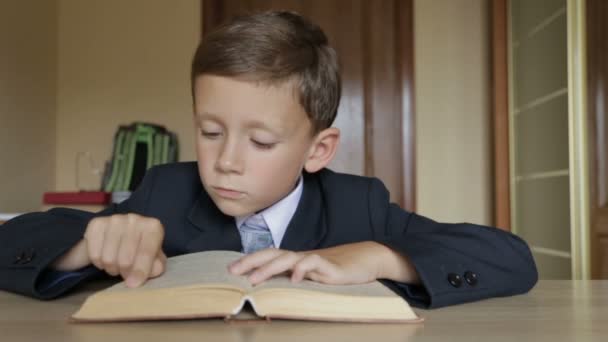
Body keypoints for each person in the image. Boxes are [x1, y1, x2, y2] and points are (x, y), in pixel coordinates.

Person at [0, 10, 537, 308]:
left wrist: (376, 257)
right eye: (210, 132)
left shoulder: (360, 206)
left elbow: (513, 257)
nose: (226, 162)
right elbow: (13, 241)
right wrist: (84, 247)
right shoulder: (165, 191)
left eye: (261, 142)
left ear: (318, 149)